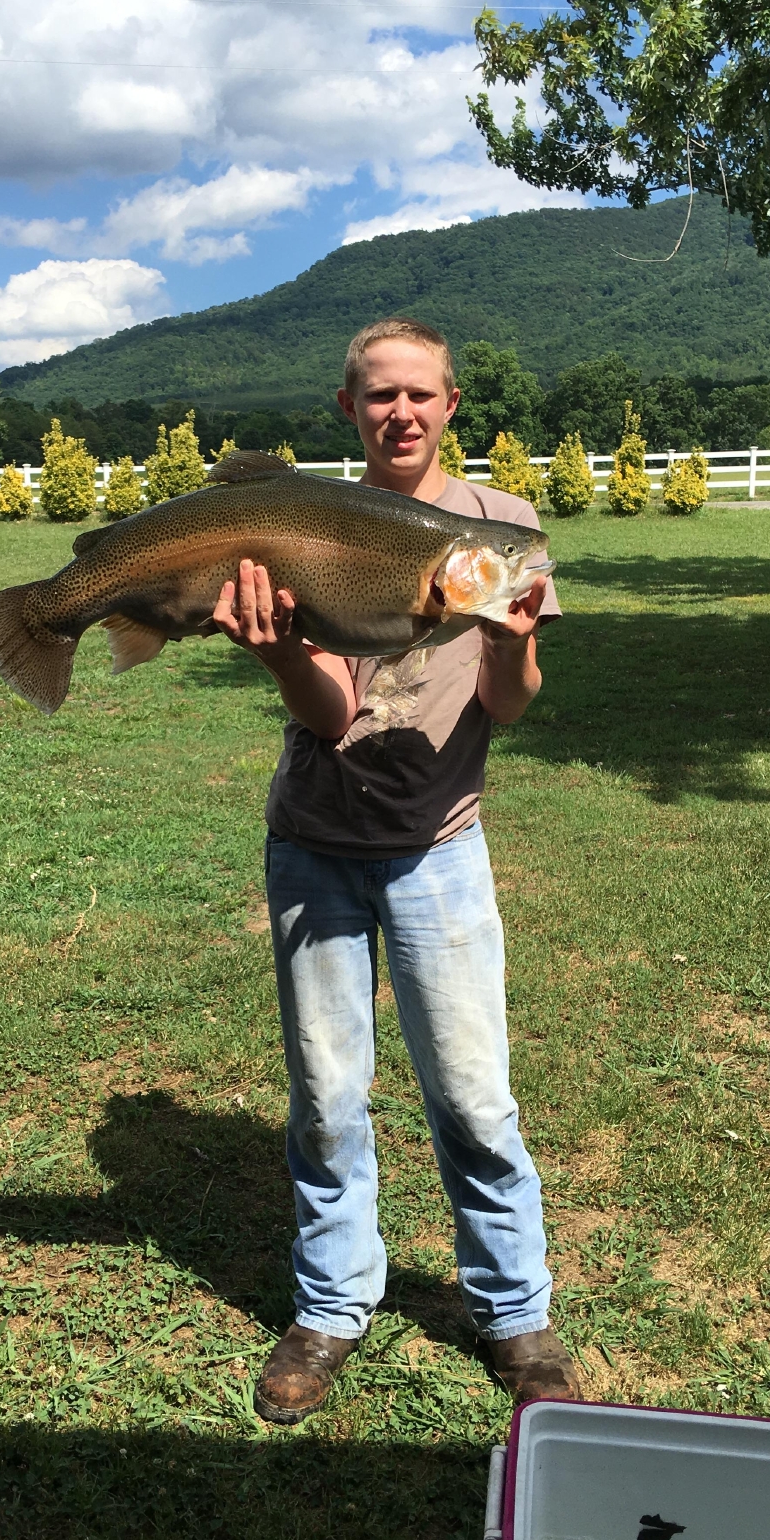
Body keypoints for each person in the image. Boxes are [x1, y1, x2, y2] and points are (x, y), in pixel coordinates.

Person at [212, 317, 581, 1424]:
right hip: (314, 847)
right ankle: (331, 1303)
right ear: (349, 409)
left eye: (421, 394)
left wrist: (510, 633)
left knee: (473, 1096)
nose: (401, 413)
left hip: (440, 848)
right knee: (326, 1098)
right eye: (379, 397)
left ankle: (514, 1309)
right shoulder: (306, 527)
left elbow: (510, 700)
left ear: (452, 405)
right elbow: (329, 713)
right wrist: (279, 646)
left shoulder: (503, 531)